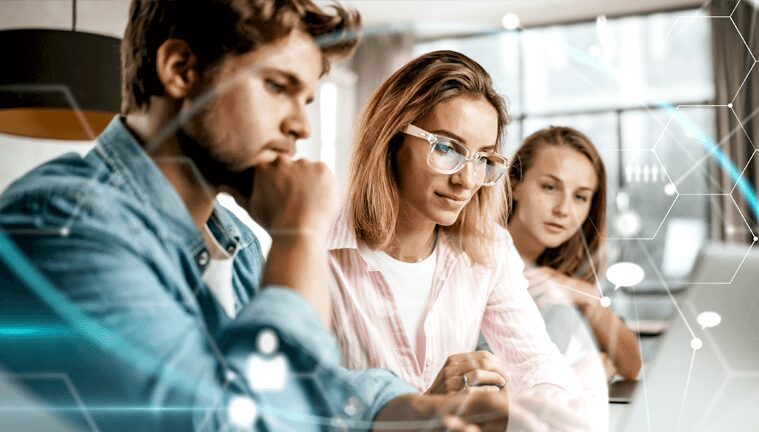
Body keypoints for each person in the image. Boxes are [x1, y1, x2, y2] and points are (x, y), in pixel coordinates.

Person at [0, 1, 549, 430]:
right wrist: (300, 236)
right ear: (180, 68)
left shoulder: (232, 240)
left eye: (306, 100)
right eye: (277, 87)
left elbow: (315, 392)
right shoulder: (61, 221)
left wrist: (417, 414)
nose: (300, 128)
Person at [326, 50, 602, 428]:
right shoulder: (318, 252)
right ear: (391, 139)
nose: (467, 180)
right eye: (446, 148)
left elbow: (537, 361)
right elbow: (296, 413)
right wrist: (421, 411)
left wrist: (550, 412)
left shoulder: (487, 249)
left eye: (482, 158)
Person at [507, 126, 642, 382]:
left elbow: (631, 366)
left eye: (580, 197)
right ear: (515, 182)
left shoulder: (562, 275)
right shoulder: (481, 263)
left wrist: (587, 297)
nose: (563, 209)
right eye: (549, 187)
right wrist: (579, 376)